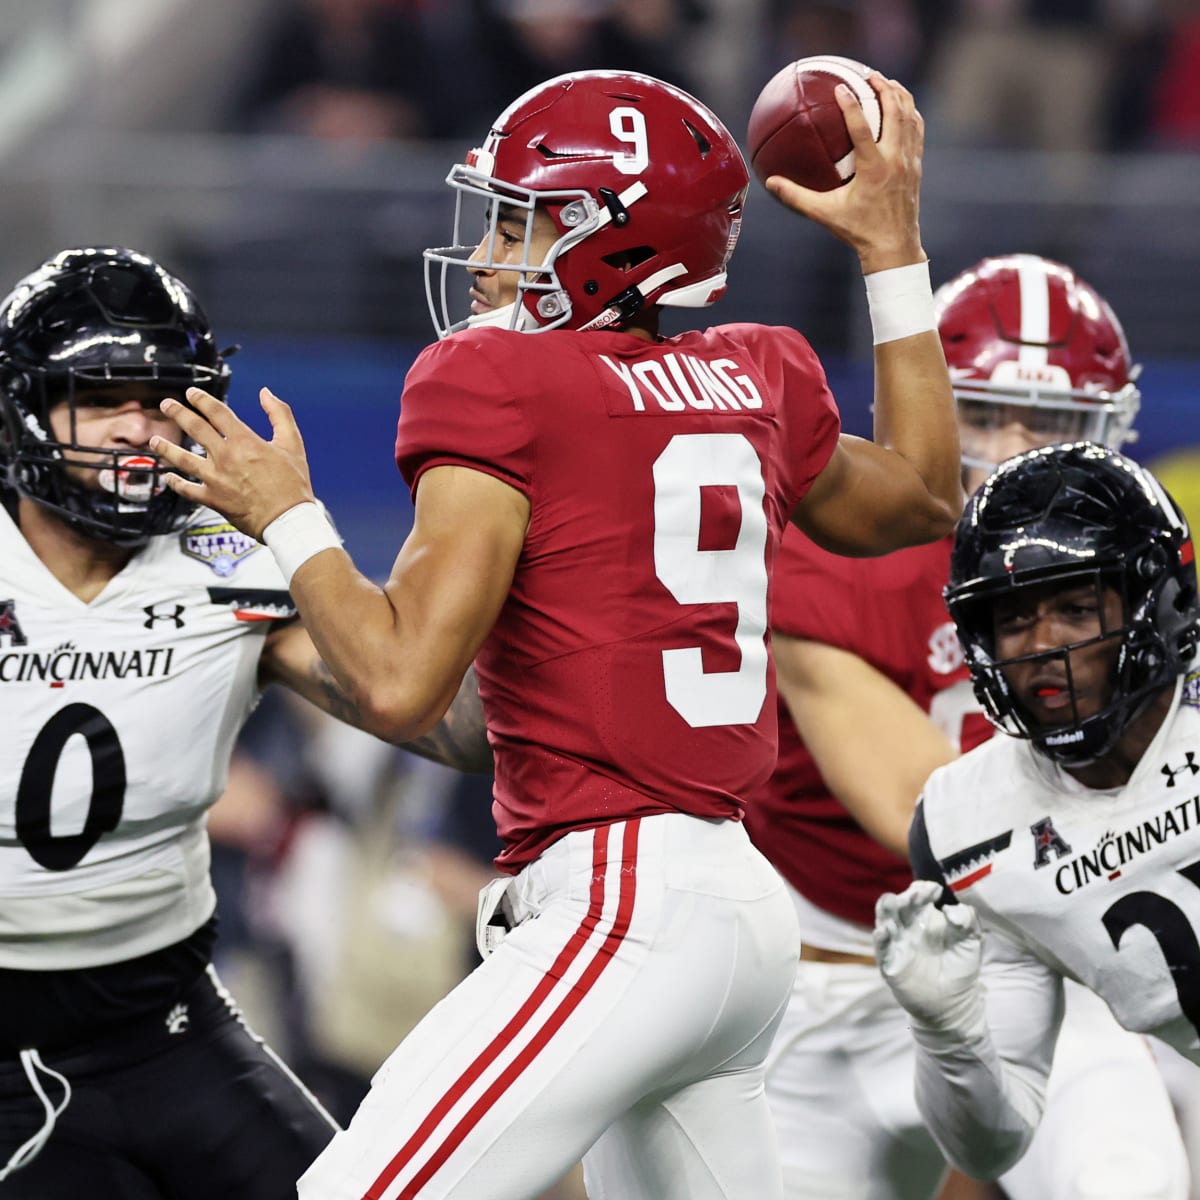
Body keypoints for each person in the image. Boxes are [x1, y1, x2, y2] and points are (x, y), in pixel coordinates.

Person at [152, 67, 960, 1200]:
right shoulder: (755, 376)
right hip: (737, 905)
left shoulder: (499, 379)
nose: (487, 254)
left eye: (518, 220)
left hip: (620, 899)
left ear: (612, 242)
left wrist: (283, 516)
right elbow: (926, 494)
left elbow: (398, 684)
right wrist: (892, 250)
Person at [0, 246, 490, 1200]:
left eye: (163, 397)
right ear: (25, 406)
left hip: (169, 1019)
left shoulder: (233, 550)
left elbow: (449, 728)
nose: (140, 429)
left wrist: (307, 534)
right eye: (104, 398)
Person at [746, 253, 1190, 1200]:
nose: (1016, 454)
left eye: (1057, 426)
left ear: (1110, 432)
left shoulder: (1139, 562)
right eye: (983, 414)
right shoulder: (837, 552)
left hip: (1050, 943)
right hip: (824, 982)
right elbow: (930, 813)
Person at [873, 440, 1200, 1190]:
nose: (1043, 645)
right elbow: (993, 1147)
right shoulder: (967, 823)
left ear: (1158, 602)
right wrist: (948, 1031)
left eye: (1077, 608)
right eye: (1013, 617)